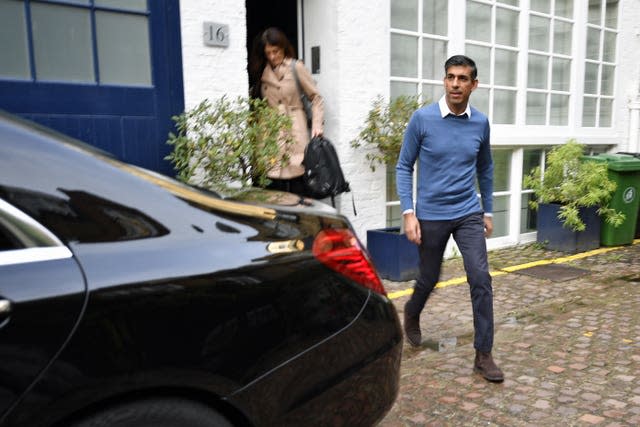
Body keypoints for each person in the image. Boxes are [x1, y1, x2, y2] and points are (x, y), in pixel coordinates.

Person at [395, 55, 503, 382]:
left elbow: (485, 167)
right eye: (450, 77)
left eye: (463, 78)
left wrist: (486, 210)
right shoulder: (422, 119)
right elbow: (403, 166)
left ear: (474, 84)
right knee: (429, 278)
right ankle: (412, 312)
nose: (456, 84)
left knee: (480, 277)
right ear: (444, 81)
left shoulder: (480, 123)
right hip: (431, 214)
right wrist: (408, 212)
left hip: (467, 212)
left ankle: (483, 354)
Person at [249, 27, 324, 197]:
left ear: (283, 47)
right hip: (270, 132)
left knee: (297, 182)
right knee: (272, 183)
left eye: (275, 51)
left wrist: (317, 125)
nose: (272, 57)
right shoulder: (261, 70)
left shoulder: (296, 67)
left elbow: (316, 97)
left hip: (294, 129)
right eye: (268, 53)